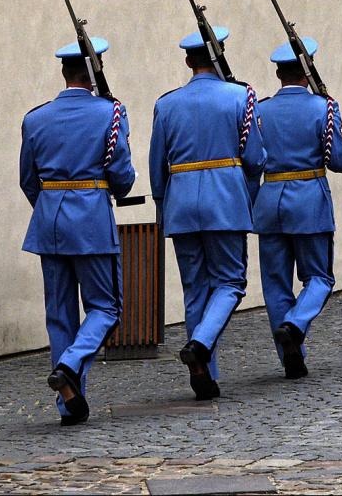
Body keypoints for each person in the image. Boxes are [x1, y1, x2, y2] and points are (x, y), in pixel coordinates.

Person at [19, 37, 135, 425]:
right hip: (91, 223)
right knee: (106, 306)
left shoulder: (35, 118)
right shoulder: (111, 113)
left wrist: (53, 207)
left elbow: (28, 181)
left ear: (65, 73)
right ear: (95, 71)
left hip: (49, 222)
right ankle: (69, 366)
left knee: (60, 315)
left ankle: (70, 401)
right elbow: (121, 178)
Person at [149, 26, 266, 399]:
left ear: (188, 61)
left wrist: (163, 206)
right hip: (225, 200)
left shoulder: (166, 104)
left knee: (195, 288)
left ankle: (204, 374)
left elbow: (156, 167)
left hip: (181, 202)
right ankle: (199, 346)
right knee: (231, 283)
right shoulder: (241, 96)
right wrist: (245, 197)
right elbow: (255, 158)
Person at [252, 38, 342, 379]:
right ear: (307, 71)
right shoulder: (323, 108)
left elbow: (253, 159)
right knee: (320, 278)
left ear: (279, 73)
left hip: (269, 202)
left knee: (276, 285)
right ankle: (295, 327)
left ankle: (289, 357)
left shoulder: (260, 111)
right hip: (309, 199)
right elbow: (340, 160)